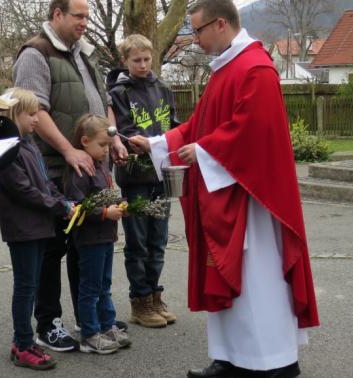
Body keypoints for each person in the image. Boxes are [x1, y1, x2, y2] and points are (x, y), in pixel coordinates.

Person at [128, 1, 319, 377]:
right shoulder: (225, 69)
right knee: (231, 277)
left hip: (253, 201)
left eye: (197, 31)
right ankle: (232, 358)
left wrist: (204, 149)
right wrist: (156, 144)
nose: (194, 39)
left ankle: (273, 362)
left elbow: (254, 132)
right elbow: (200, 124)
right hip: (227, 191)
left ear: (220, 24)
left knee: (255, 280)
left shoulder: (256, 69)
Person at [13, 0, 123, 352]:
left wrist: (113, 136)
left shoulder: (82, 53)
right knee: (52, 250)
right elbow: (35, 108)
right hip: (57, 168)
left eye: (88, 16)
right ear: (56, 14)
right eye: (78, 16)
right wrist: (68, 149)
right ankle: (48, 324)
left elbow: (102, 103)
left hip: (90, 165)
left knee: (85, 247)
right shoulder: (36, 53)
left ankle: (88, 319)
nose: (85, 23)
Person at [0, 88, 74, 370]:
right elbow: (24, 190)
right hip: (23, 229)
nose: (37, 120)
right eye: (31, 114)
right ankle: (23, 343)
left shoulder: (29, 145)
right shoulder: (8, 150)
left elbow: (44, 182)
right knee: (26, 287)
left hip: (40, 226)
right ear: (15, 115)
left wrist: (62, 200)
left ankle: (26, 341)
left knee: (33, 284)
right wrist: (57, 205)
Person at [107, 34, 179, 328]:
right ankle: (140, 301)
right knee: (138, 241)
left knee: (158, 240)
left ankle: (154, 294)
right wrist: (145, 143)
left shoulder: (163, 87)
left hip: (162, 175)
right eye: (136, 60)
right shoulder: (118, 93)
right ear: (125, 61)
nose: (143, 65)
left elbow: (172, 125)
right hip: (135, 176)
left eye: (147, 59)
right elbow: (122, 130)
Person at [63, 114, 130, 354]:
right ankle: (90, 333)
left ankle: (106, 325)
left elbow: (109, 194)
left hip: (105, 237)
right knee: (90, 288)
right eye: (102, 145)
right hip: (90, 239)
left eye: (108, 146)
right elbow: (78, 206)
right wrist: (104, 213)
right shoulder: (80, 171)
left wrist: (121, 203)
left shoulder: (102, 167)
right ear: (84, 141)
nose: (105, 150)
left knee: (104, 284)